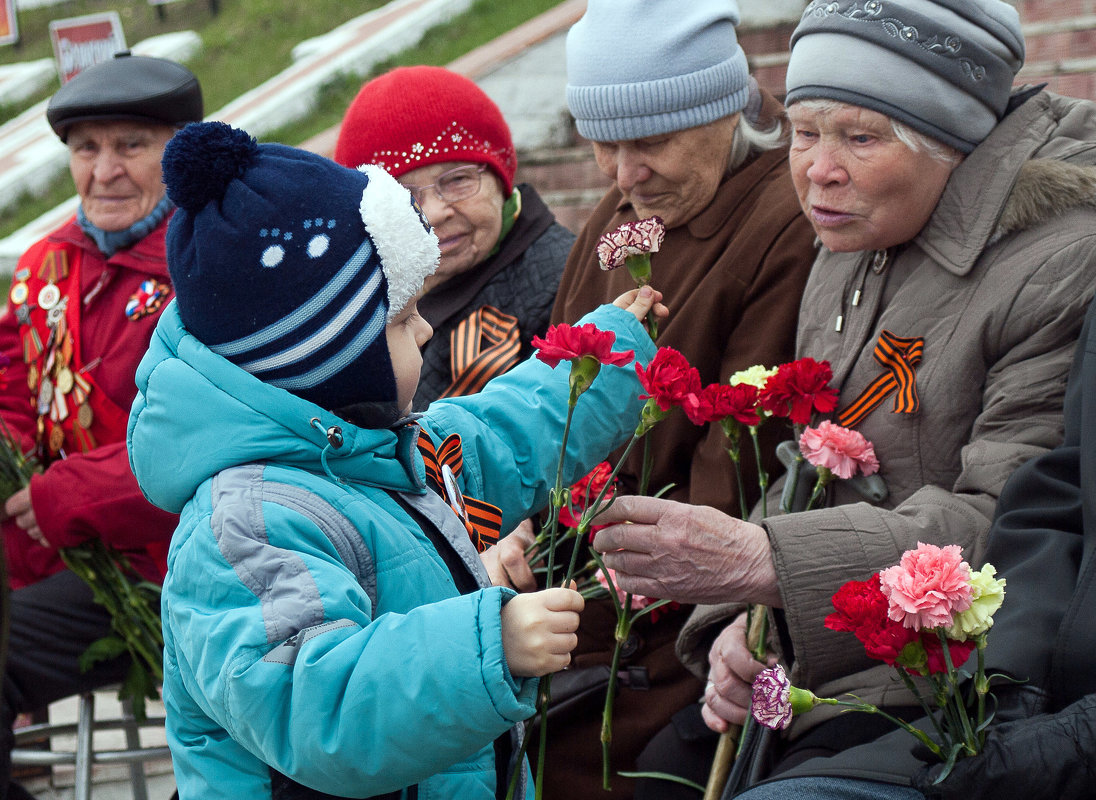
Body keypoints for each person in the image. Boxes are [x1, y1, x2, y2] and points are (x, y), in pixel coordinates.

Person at [588, 0, 1096, 794]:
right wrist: (740, 627)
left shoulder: (1061, 263)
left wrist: (765, 568)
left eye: (860, 136)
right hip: (821, 650)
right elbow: (807, 461)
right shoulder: (852, 233)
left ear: (955, 141)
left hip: (951, 683)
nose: (815, 169)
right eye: (803, 129)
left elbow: (1012, 519)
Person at [126, 120, 665, 800]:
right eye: (403, 319)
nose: (427, 327)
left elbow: (501, 432)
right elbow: (318, 706)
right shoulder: (244, 526)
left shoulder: (375, 453)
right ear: (325, 359)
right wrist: (488, 646)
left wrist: (608, 354)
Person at [542, 2, 818, 794]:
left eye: (652, 142)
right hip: (585, 575)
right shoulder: (631, 212)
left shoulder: (782, 221)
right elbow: (554, 392)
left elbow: (729, 486)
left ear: (724, 110)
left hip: (675, 619)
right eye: (604, 145)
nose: (625, 175)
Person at [0, 53, 202, 800]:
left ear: (178, 150)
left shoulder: (208, 260)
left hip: (179, 566)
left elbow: (206, 440)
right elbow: (13, 392)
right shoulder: (49, 262)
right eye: (87, 148)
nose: (106, 169)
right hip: (66, 563)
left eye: (131, 145)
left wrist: (67, 498)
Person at [333, 65, 575, 412]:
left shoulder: (561, 288)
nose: (433, 213)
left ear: (500, 178)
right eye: (403, 195)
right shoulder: (362, 300)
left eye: (457, 180)